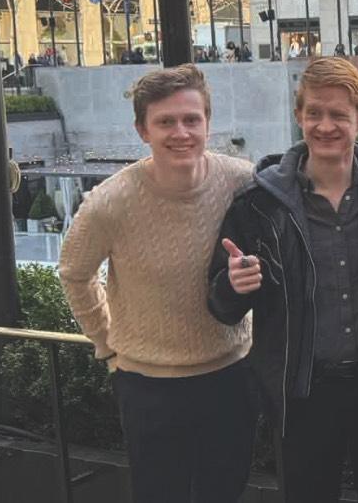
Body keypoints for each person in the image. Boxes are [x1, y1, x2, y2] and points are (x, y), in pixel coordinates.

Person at [208, 57, 358, 503]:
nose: (325, 125)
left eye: (338, 114)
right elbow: (219, 305)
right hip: (302, 391)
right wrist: (232, 286)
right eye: (314, 112)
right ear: (299, 117)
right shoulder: (258, 205)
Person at [60, 65, 258, 502]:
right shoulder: (109, 203)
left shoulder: (241, 181)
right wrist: (106, 342)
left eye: (192, 120)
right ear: (142, 130)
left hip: (230, 376)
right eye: (165, 122)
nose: (181, 132)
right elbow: (74, 272)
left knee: (224, 493)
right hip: (148, 386)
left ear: (208, 122)